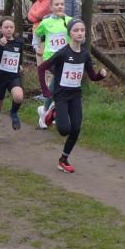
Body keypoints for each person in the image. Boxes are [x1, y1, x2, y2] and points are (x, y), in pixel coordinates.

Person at [37, 19, 107, 172]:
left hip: (75, 96)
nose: (80, 33)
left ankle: (63, 160)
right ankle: (54, 110)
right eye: (76, 30)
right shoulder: (63, 53)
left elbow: (92, 76)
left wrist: (100, 76)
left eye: (82, 30)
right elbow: (41, 68)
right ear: (69, 33)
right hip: (61, 96)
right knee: (64, 130)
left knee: (76, 128)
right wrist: (45, 91)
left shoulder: (85, 54)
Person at [34, 0, 72, 129]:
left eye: (62, 4)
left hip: (66, 58)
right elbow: (36, 34)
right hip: (50, 58)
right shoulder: (46, 22)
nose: (60, 6)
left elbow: (77, 34)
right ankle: (53, 112)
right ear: (51, 7)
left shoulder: (69, 21)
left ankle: (47, 110)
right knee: (60, 81)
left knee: (59, 84)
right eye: (57, 4)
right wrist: (36, 46)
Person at [0, 17, 24, 141]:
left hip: (13, 76)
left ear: (14, 29)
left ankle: (13, 112)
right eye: (6, 27)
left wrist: (20, 65)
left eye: (11, 27)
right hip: (0, 77)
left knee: (18, 96)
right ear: (1, 29)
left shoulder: (19, 42)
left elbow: (20, 56)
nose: (9, 29)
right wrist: (1, 46)